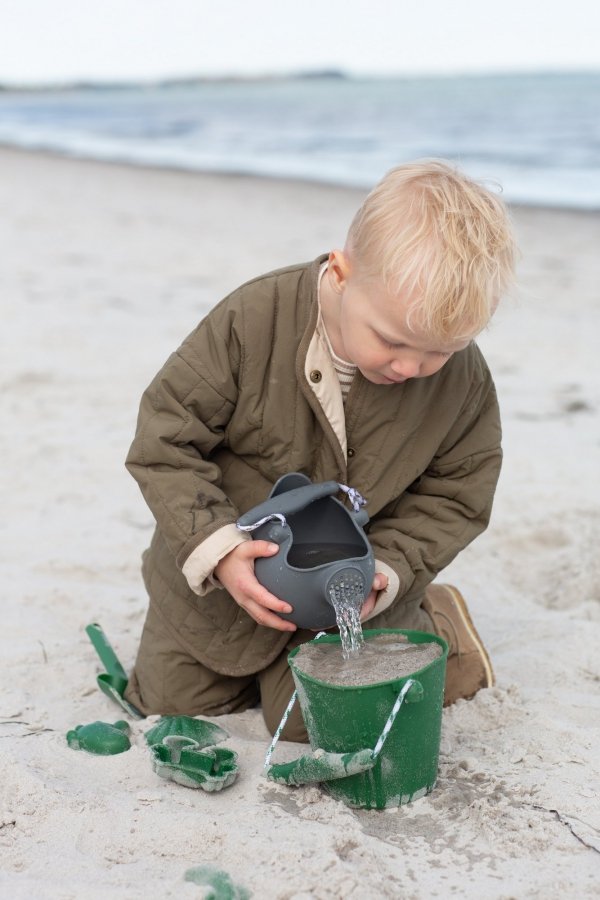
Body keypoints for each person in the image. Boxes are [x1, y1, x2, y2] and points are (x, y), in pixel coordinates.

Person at [124, 160, 515, 741]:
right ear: (341, 272)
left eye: (439, 352)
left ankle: (439, 621)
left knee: (323, 723)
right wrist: (218, 550)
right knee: (167, 704)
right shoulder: (253, 320)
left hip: (345, 589)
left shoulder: (463, 382)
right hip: (222, 583)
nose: (411, 366)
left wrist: (391, 570)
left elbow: (457, 494)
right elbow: (164, 441)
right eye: (390, 340)